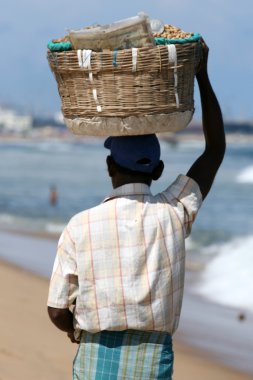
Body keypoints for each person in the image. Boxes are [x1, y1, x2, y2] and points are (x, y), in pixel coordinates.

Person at [47, 42, 225, 379]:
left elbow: (56, 310)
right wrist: (201, 73)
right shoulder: (174, 212)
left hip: (94, 359)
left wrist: (76, 330)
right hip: (153, 360)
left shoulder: (79, 225)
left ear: (109, 165)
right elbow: (214, 150)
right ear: (158, 171)